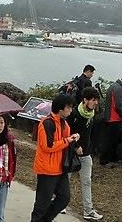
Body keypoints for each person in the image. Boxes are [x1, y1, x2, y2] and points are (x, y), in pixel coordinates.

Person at [31, 94, 80, 222]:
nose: (70, 110)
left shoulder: (64, 123)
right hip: (47, 169)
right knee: (42, 203)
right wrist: (67, 140)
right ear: (60, 109)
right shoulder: (47, 123)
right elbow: (48, 146)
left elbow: (66, 141)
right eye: (69, 107)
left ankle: (45, 220)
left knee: (64, 198)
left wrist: (73, 141)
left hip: (60, 168)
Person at [66, 87, 103, 220]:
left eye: (96, 100)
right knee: (65, 179)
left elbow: (91, 134)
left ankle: (88, 210)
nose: (96, 103)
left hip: (86, 153)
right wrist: (75, 146)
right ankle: (61, 204)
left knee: (87, 181)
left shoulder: (92, 115)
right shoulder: (74, 114)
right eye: (93, 100)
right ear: (85, 100)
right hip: (71, 152)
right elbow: (67, 133)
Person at [100, 79, 122, 167]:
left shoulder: (113, 86)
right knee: (112, 141)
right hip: (115, 118)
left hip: (109, 118)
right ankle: (105, 160)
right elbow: (119, 104)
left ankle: (112, 159)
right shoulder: (118, 88)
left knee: (112, 140)